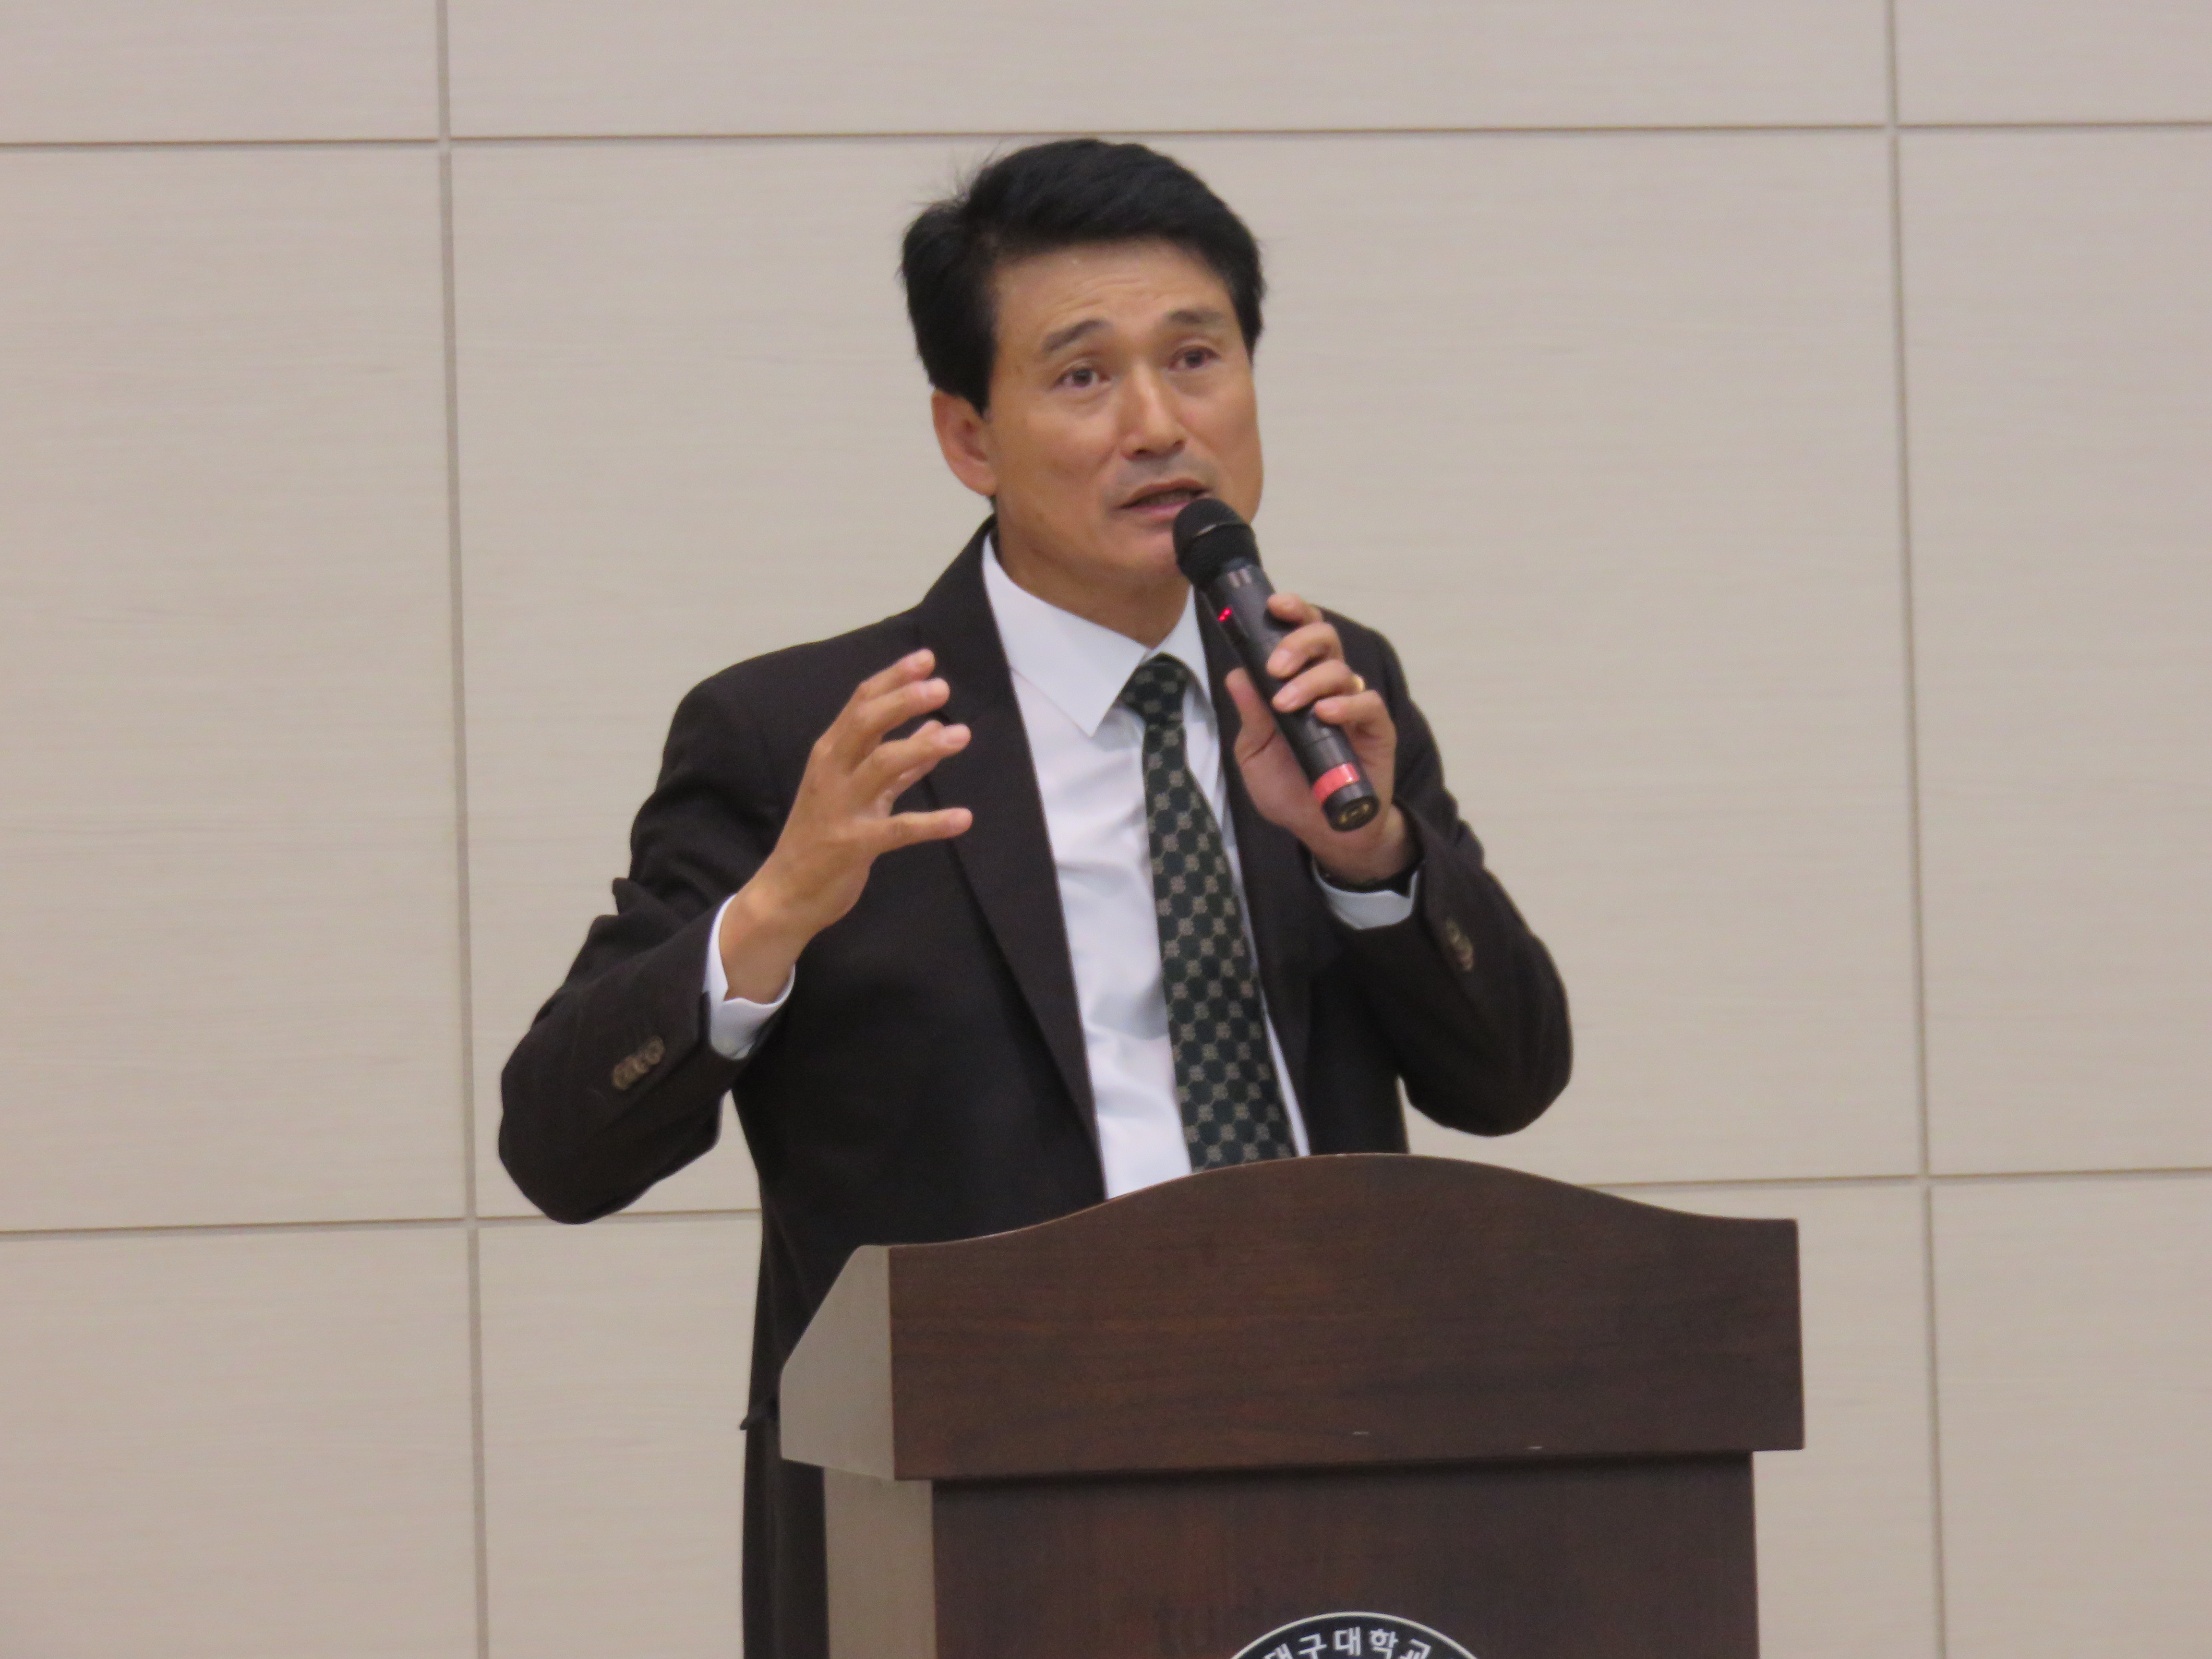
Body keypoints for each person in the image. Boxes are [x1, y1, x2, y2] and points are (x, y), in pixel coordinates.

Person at [499, 137, 1571, 1659]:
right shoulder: (807, 737)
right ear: (969, 436)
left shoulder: (1328, 692)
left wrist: (1371, 855)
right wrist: (775, 912)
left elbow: (1508, 1079)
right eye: (1082, 376)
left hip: (1333, 1485)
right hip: (961, 1522)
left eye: (1195, 357)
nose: (1159, 423)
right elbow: (559, 1143)